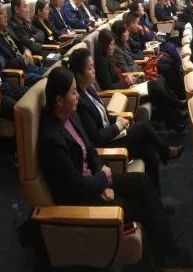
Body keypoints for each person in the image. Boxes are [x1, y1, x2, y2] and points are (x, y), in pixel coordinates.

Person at [38, 67, 193, 271]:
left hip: (95, 180)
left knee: (142, 181)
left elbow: (91, 150)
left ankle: (165, 252)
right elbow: (74, 186)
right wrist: (102, 181)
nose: (77, 95)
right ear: (59, 100)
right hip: (82, 198)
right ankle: (169, 257)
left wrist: (101, 174)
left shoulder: (70, 116)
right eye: (73, 92)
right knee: (141, 204)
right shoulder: (52, 139)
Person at [66, 48, 184, 194]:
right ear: (78, 74)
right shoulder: (79, 103)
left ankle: (156, 196)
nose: (94, 70)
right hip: (107, 146)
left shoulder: (89, 89)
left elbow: (104, 114)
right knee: (143, 126)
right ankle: (165, 151)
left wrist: (117, 118)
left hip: (114, 134)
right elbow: (97, 138)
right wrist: (118, 125)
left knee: (148, 150)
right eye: (90, 68)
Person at [94, 29, 186, 131]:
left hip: (128, 87)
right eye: (111, 45)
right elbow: (107, 87)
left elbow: (119, 76)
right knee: (155, 86)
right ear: (104, 45)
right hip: (125, 94)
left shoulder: (109, 58)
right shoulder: (102, 62)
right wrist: (125, 81)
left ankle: (174, 117)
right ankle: (176, 107)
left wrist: (127, 77)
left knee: (158, 81)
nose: (113, 47)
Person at [0, 0, 47, 86]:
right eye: (1, 13)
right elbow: (5, 62)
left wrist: (26, 50)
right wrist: (23, 59)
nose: (5, 15)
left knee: (52, 71)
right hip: (18, 73)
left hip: (28, 66)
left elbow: (20, 43)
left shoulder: (7, 28)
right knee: (49, 79)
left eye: (5, 11)